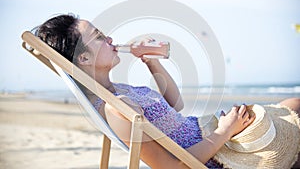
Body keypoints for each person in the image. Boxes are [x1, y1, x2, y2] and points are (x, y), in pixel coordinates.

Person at [34, 14, 300, 168]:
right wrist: (225, 131)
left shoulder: (118, 90)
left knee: (293, 104)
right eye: (100, 37)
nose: (110, 39)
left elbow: (176, 103)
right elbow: (172, 167)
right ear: (83, 59)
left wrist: (151, 61)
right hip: (213, 155)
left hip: (209, 134)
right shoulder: (117, 107)